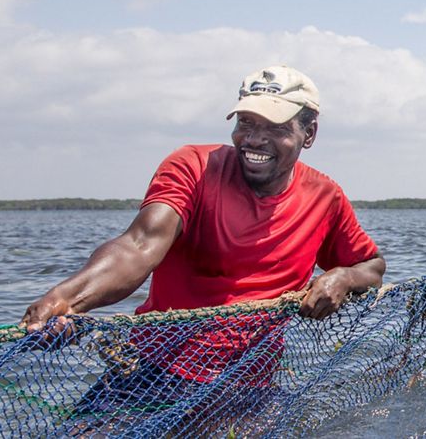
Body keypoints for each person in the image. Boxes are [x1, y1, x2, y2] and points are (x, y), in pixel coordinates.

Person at [19, 65, 386, 433]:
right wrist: (68, 298)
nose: (255, 139)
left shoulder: (325, 197)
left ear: (309, 134)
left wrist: (342, 277)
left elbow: (371, 267)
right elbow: (139, 245)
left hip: (247, 390)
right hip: (152, 374)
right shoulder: (193, 166)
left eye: (276, 128)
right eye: (246, 123)